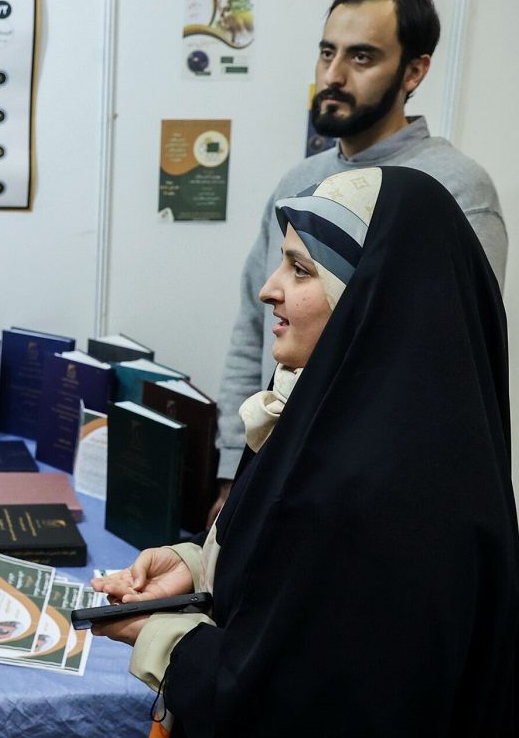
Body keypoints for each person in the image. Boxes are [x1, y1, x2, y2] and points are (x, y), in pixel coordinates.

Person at [94, 167, 519, 735]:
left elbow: (292, 702)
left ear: (367, 294)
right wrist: (201, 566)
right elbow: (290, 574)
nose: (268, 289)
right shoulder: (329, 421)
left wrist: (160, 636)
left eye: (300, 269)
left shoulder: (388, 499)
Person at [210, 0, 507, 523]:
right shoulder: (298, 182)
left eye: (362, 57)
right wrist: (235, 468)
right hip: (271, 474)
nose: (333, 75)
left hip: (363, 499)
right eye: (328, 53)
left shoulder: (453, 190)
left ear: (414, 71)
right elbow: (251, 328)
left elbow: (444, 365)